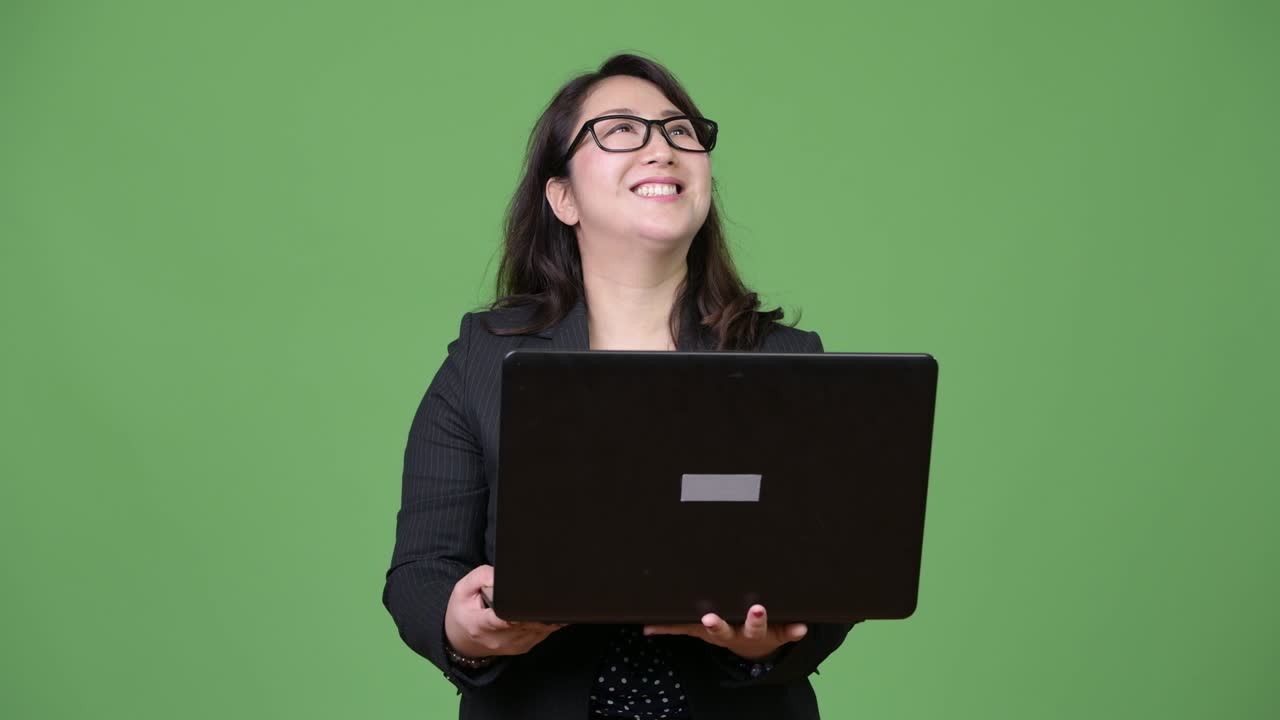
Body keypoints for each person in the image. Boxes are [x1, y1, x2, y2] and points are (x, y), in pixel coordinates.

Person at [382, 52, 859, 720]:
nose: (662, 148)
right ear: (563, 197)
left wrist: (769, 642)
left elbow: (835, 571)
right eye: (621, 130)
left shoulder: (787, 361)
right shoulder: (484, 359)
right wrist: (462, 628)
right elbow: (421, 571)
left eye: (680, 130)